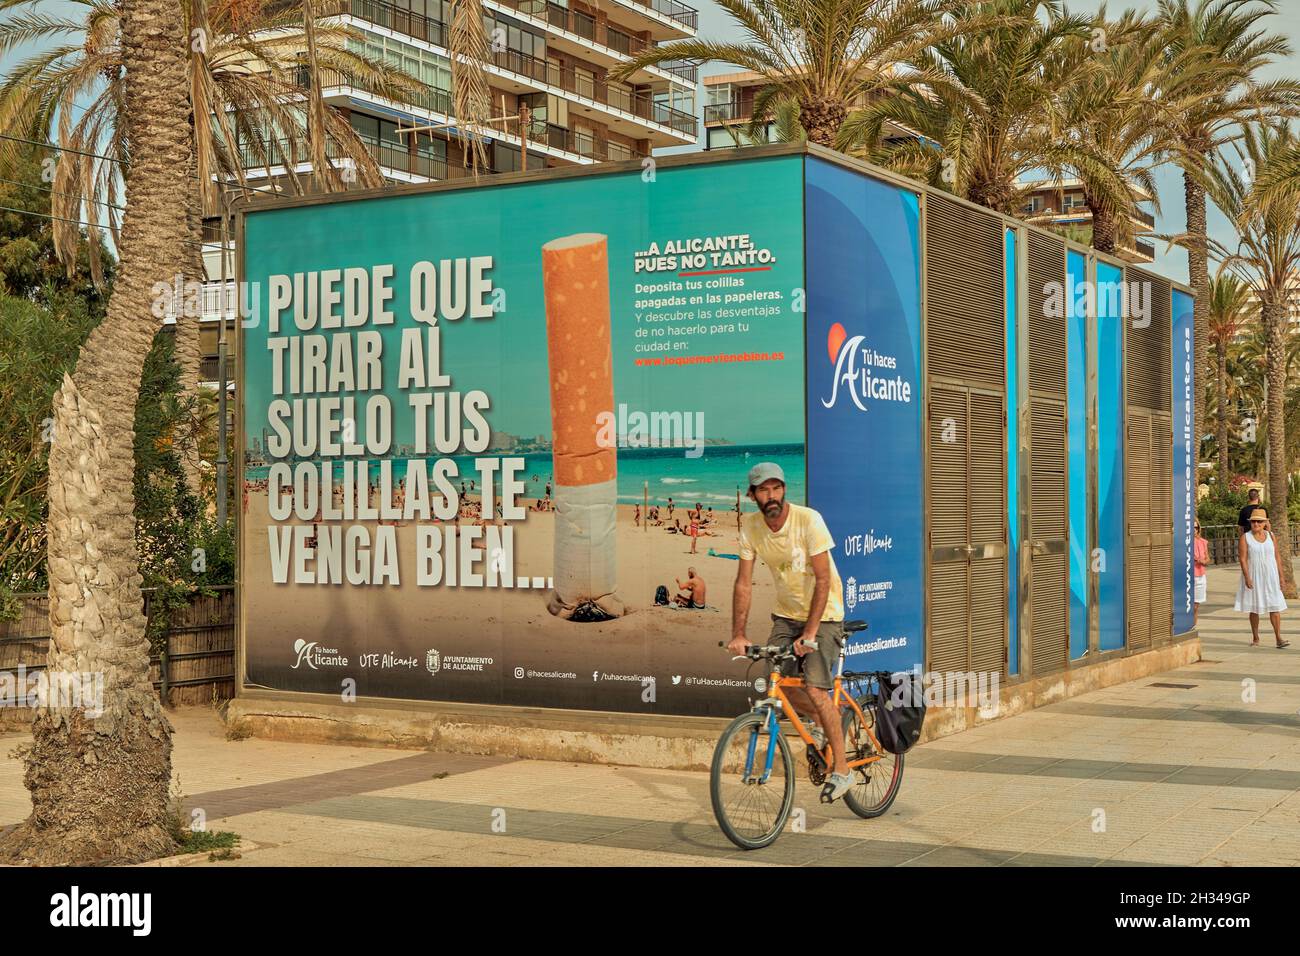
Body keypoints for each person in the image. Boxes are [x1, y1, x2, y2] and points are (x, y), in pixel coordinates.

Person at [725, 462, 853, 801]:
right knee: (775, 684)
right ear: (752, 495)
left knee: (814, 687)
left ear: (784, 490)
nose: (772, 496)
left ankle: (841, 770)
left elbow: (823, 579)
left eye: (776, 488)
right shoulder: (751, 527)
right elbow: (743, 583)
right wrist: (738, 633)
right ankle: (826, 720)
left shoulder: (808, 520)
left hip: (823, 615)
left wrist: (810, 633)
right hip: (786, 615)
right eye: (763, 490)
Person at [1235, 508, 1290, 647]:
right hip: (1254, 575)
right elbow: (1242, 559)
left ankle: (1278, 638)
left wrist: (1281, 578)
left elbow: (1277, 557)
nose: (1256, 524)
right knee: (1255, 608)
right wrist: (1247, 577)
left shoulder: (1271, 536)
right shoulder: (1245, 538)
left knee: (1275, 606)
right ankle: (1255, 638)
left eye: (1259, 521)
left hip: (1271, 575)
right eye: (1253, 521)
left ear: (1265, 523)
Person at [1193, 521, 1209, 625]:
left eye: (1196, 527)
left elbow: (1208, 558)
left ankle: (1192, 627)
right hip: (1189, 575)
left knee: (1195, 606)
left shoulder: (1203, 542)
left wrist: (1204, 561)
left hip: (1200, 576)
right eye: (1191, 527)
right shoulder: (1184, 541)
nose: (1194, 529)